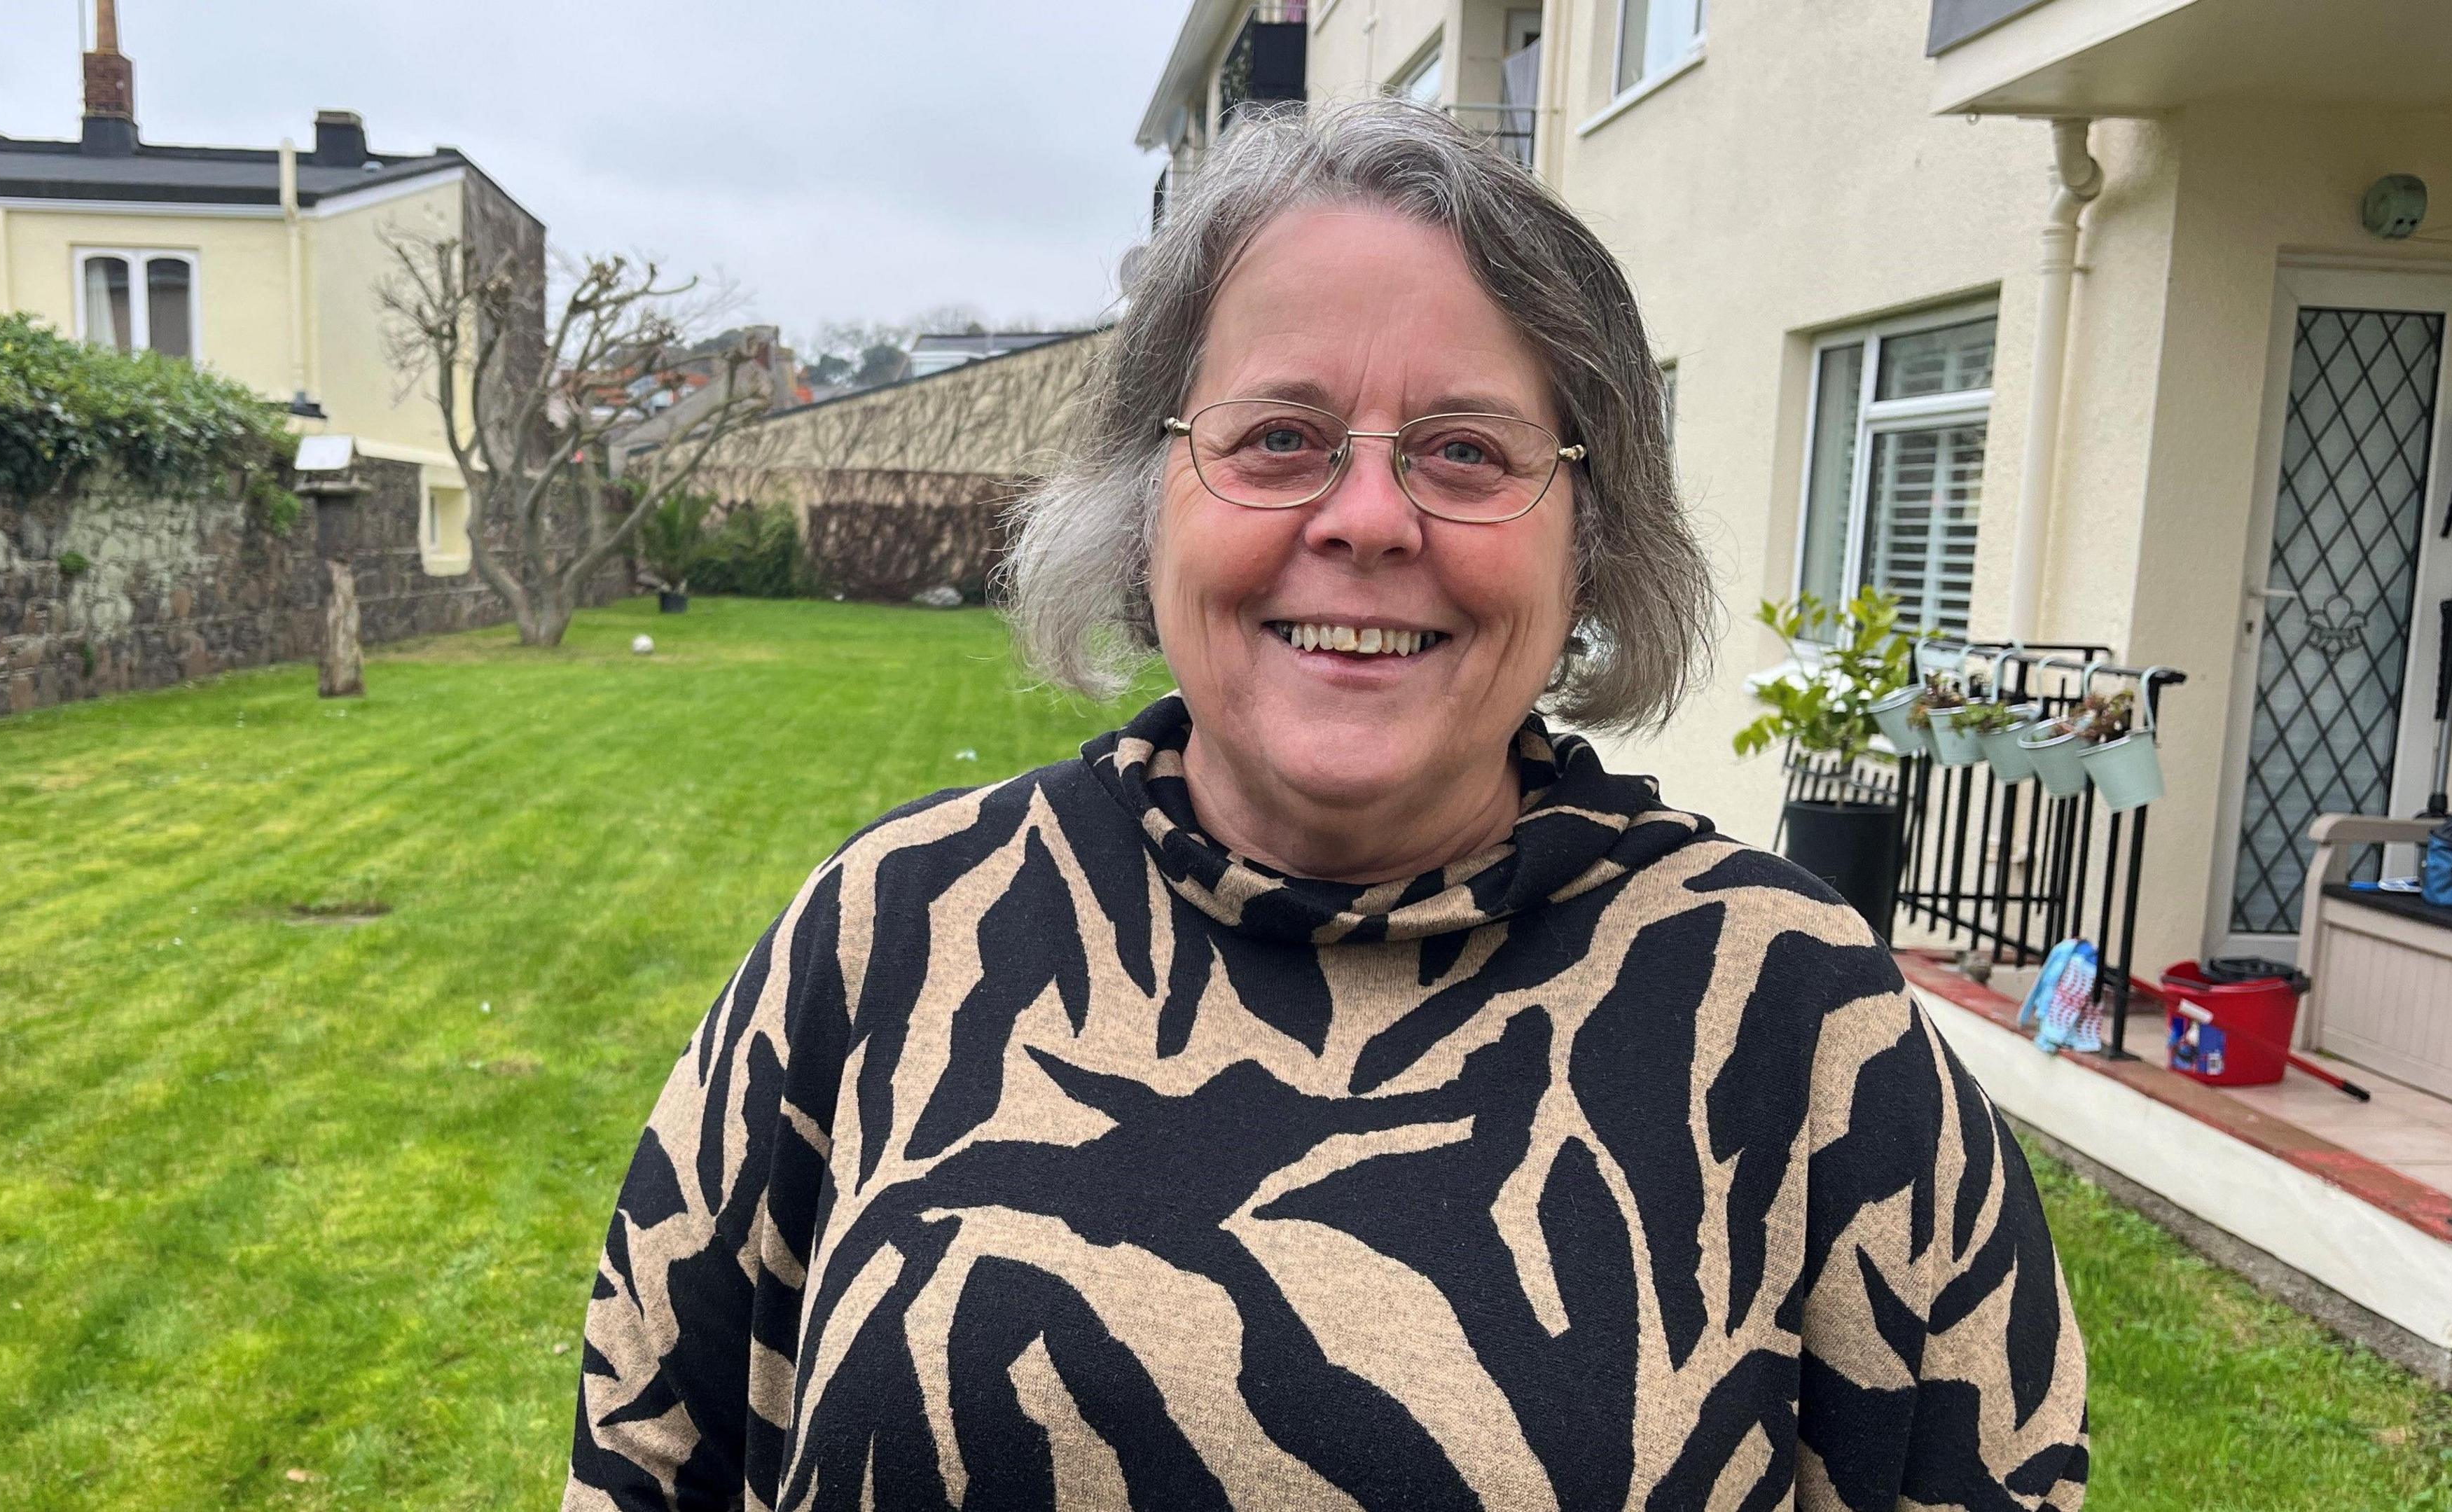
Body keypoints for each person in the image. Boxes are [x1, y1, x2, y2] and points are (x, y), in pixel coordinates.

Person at [566, 99, 2087, 1512]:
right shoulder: (896, 929)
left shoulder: (1793, 1015)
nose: (1366, 519)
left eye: (1467, 453)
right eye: (1279, 438)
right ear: (1148, 502)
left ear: (1588, 549)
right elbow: (646, 1444)